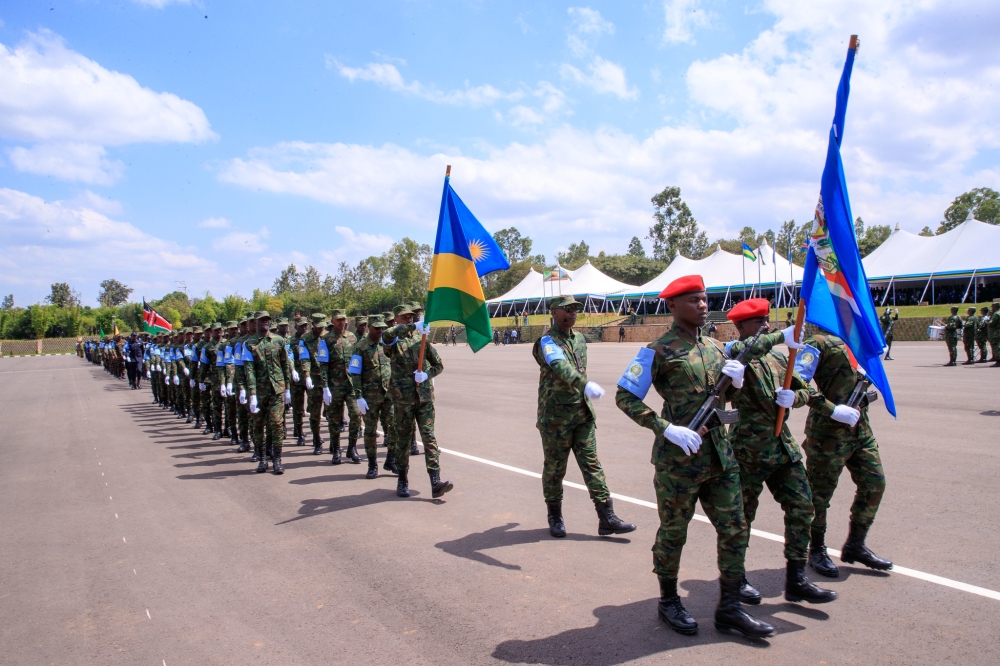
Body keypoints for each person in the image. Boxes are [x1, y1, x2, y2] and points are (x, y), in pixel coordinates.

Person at [614, 275, 774, 640]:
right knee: (674, 532)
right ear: (672, 306)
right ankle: (669, 600)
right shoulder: (656, 350)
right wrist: (664, 427)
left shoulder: (718, 348)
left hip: (720, 455)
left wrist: (736, 384)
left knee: (735, 529)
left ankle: (730, 608)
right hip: (679, 461)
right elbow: (625, 397)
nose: (703, 305)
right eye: (694, 300)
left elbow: (724, 402)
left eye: (704, 299)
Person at [724, 299, 837, 605]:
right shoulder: (734, 353)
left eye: (766, 320)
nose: (766, 325)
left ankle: (797, 578)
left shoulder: (778, 358)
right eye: (758, 322)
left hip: (782, 448)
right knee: (742, 518)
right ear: (740, 327)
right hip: (748, 451)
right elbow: (739, 356)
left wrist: (794, 399)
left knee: (802, 507)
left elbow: (805, 390)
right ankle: (737, 579)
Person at [535, 295, 636, 540]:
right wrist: (584, 384)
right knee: (555, 469)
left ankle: (606, 517)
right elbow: (558, 365)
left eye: (575, 309)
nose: (573, 313)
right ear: (554, 312)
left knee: (592, 465)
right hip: (556, 419)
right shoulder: (546, 341)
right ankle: (555, 515)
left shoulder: (580, 339)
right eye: (567, 309)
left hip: (582, 415)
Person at [798, 330, 893, 578]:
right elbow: (799, 381)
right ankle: (816, 549)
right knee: (819, 496)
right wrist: (831, 409)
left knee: (875, 483)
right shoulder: (817, 342)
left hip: (860, 430)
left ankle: (855, 544)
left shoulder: (858, 338)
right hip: (827, 434)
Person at [381, 304, 452, 499]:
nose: (409, 319)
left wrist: (426, 374)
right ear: (396, 319)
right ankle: (402, 479)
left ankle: (435, 481)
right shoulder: (393, 340)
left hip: (424, 398)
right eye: (405, 317)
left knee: (429, 438)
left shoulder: (421, 341)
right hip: (403, 400)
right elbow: (387, 336)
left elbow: (439, 365)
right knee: (403, 441)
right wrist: (414, 327)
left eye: (411, 317)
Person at [243, 311, 291, 474]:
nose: (264, 323)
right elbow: (249, 370)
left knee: (277, 425)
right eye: (261, 320)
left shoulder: (279, 340)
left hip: (277, 390)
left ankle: (277, 460)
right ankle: (263, 459)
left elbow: (285, 364)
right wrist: (252, 394)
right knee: (258, 426)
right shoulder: (249, 343)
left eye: (267, 320)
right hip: (259, 391)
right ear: (255, 323)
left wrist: (287, 388)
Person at [352, 315, 396, 478]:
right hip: (369, 398)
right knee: (370, 432)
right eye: (377, 328)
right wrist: (359, 397)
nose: (380, 331)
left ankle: (390, 460)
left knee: (394, 429)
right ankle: (372, 465)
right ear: (369, 327)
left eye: (382, 328)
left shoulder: (388, 344)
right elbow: (355, 374)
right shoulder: (360, 347)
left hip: (388, 395)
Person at [322, 309, 362, 465]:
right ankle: (336, 449)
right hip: (335, 386)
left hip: (351, 385)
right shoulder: (326, 340)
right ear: (332, 321)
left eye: (343, 319)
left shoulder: (352, 337)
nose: (341, 322)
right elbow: (323, 364)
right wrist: (325, 386)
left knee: (356, 415)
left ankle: (352, 448)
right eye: (338, 319)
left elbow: (358, 360)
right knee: (335, 419)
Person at [298, 313, 329, 454]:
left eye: (322, 327)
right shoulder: (305, 339)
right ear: (313, 325)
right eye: (318, 327)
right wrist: (307, 375)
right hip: (315, 379)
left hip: (329, 378)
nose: (320, 329)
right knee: (315, 412)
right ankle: (316, 440)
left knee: (333, 412)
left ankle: (334, 443)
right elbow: (304, 358)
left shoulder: (328, 337)